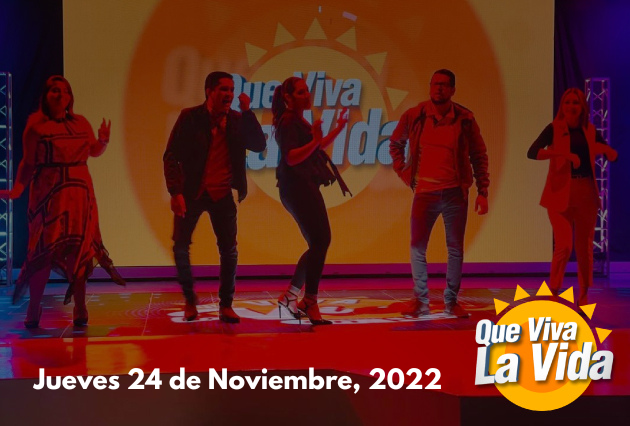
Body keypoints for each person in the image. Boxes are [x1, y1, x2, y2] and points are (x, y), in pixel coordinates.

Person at [0, 75, 125, 328]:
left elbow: (93, 151)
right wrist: (17, 190)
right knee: (42, 252)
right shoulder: (36, 127)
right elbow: (28, 163)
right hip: (49, 195)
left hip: (79, 195)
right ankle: (34, 306)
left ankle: (80, 306)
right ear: (46, 96)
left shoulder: (80, 123)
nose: (60, 95)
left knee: (79, 250)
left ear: (70, 97)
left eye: (65, 91)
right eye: (55, 91)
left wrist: (103, 141)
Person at [163, 71, 266, 323]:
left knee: (229, 250)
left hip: (222, 192)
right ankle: (190, 300)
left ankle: (226, 305)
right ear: (209, 91)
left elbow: (258, 145)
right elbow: (171, 155)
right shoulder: (190, 117)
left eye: (231, 90)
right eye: (223, 89)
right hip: (192, 191)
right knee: (180, 245)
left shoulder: (237, 120)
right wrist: (175, 192)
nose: (229, 94)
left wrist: (248, 112)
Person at [389, 69, 489, 318]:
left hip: (455, 192)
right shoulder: (416, 115)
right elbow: (395, 143)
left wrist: (483, 190)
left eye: (444, 85)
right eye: (435, 84)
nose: (439, 88)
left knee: (455, 249)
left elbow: (478, 155)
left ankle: (451, 301)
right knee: (417, 247)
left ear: (453, 89)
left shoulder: (465, 118)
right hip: (425, 192)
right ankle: (420, 300)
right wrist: (405, 173)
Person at [527, 87, 617, 308]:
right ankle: (554, 292)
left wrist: (608, 151)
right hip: (559, 193)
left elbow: (605, 150)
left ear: (582, 107)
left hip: (585, 191)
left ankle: (584, 295)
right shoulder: (554, 128)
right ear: (562, 106)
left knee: (584, 247)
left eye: (575, 102)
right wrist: (562, 154)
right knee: (564, 245)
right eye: (567, 102)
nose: (571, 106)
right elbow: (533, 152)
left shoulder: (590, 130)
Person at [271, 76, 350, 325]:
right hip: (297, 187)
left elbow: (316, 147)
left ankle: (293, 296)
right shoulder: (288, 121)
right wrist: (315, 139)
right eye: (301, 92)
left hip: (301, 187)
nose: (307, 95)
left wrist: (339, 128)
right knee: (320, 241)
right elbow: (291, 157)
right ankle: (308, 300)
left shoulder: (297, 120)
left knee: (319, 242)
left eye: (307, 91)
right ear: (288, 97)